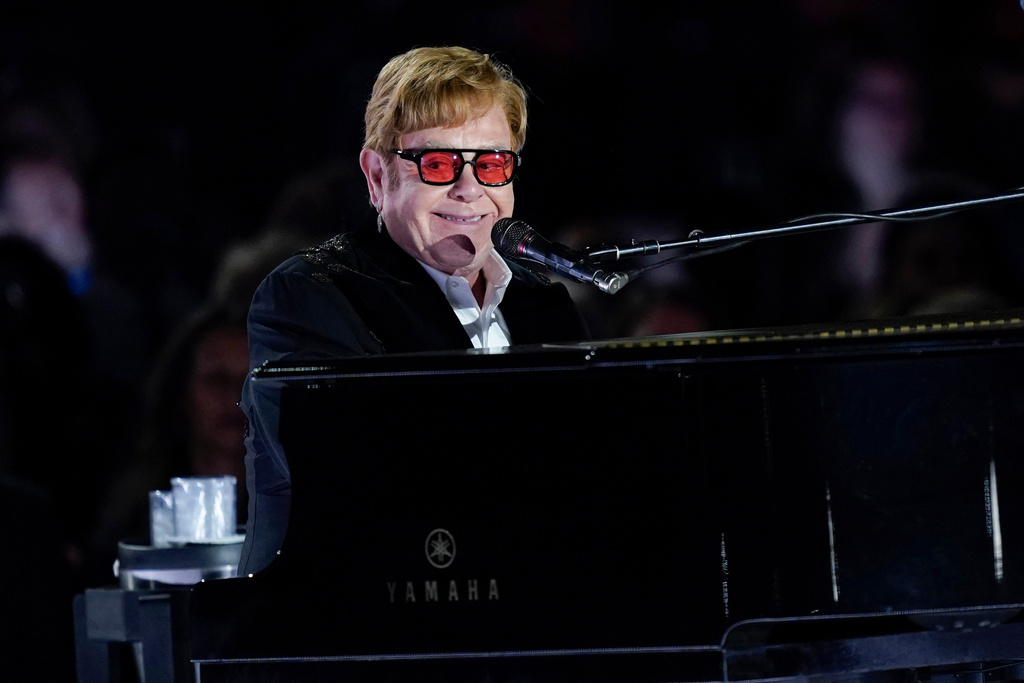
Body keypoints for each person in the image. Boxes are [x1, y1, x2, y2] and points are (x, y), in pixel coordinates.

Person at [239, 46, 589, 574]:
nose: (470, 190)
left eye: (492, 164)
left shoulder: (543, 304)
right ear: (377, 176)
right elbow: (356, 478)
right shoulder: (310, 295)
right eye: (438, 164)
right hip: (363, 606)